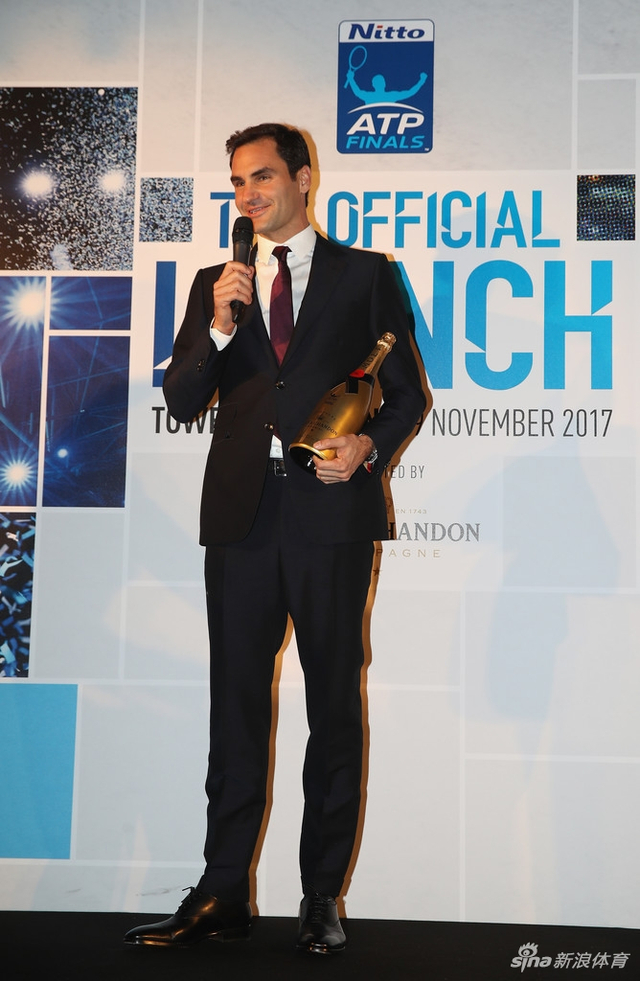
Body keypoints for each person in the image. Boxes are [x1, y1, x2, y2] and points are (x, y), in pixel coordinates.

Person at [124, 123, 428, 955]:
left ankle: (321, 894)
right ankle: (222, 890)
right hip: (243, 518)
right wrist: (222, 326)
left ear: (303, 177)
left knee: (332, 703)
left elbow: (406, 394)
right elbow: (182, 397)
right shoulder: (215, 283)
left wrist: (368, 447)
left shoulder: (366, 274)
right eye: (236, 182)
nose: (248, 193)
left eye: (262, 176)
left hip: (331, 515)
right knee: (236, 706)